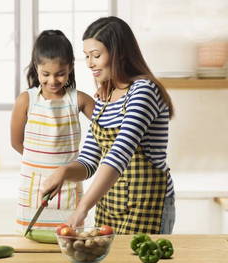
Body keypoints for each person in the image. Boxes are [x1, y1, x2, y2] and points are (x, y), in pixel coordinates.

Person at [39, 17, 176, 234]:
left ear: (119, 53)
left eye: (96, 55)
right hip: (109, 205)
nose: (90, 63)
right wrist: (64, 172)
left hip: (147, 205)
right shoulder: (105, 96)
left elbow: (120, 151)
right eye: (86, 56)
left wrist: (83, 207)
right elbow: (89, 160)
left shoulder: (143, 91)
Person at [10, 29, 95, 233]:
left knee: (68, 239)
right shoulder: (25, 100)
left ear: (71, 68)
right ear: (36, 68)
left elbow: (108, 128)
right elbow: (16, 142)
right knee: (31, 242)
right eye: (45, 74)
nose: (53, 81)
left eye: (60, 74)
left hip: (68, 189)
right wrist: (40, 163)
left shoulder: (79, 100)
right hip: (33, 189)